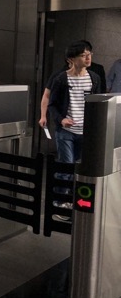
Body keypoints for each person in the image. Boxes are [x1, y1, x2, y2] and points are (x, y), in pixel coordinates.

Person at [47, 41, 103, 215]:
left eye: (90, 54)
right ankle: (58, 202)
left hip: (85, 132)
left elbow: (98, 103)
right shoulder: (61, 79)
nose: (88, 57)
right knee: (66, 167)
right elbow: (52, 104)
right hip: (66, 132)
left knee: (78, 168)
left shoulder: (94, 78)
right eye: (83, 55)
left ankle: (71, 201)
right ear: (71, 59)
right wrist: (61, 119)